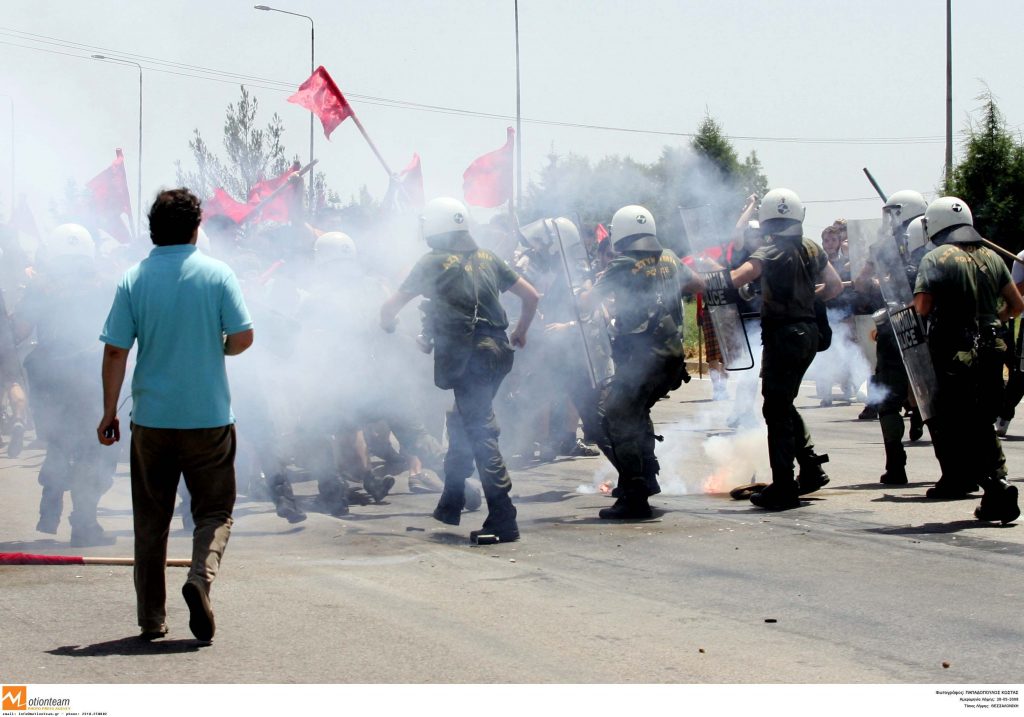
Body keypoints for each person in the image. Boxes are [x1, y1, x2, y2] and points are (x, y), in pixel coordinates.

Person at [97, 188, 254, 642]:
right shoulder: (218, 274)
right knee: (215, 512)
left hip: (152, 421)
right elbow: (243, 337)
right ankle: (199, 580)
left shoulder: (133, 279)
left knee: (151, 523)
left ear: (152, 230)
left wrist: (109, 411)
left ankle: (151, 619)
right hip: (209, 418)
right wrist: (217, 345)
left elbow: (115, 350)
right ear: (196, 226)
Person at [380, 197, 538, 543]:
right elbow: (532, 297)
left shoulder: (433, 261)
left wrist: (386, 322)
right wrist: (520, 332)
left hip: (470, 357)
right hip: (498, 352)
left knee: (480, 428)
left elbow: (392, 306)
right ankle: (451, 498)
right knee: (462, 418)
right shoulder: (488, 257)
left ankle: (503, 515)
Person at [582, 205, 703, 519]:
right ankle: (646, 478)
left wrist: (584, 290)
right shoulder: (670, 258)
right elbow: (698, 284)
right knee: (636, 412)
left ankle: (636, 495)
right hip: (672, 357)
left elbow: (588, 301)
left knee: (616, 416)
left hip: (642, 358)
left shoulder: (622, 264)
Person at [729, 188, 843, 510]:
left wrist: (717, 280)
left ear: (766, 218)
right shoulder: (811, 247)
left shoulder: (771, 249)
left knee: (775, 409)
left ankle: (783, 486)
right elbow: (834, 287)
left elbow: (739, 277)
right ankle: (810, 466)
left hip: (783, 335)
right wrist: (807, 298)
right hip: (809, 332)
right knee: (784, 402)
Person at [914, 196, 1021, 523]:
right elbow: (1016, 305)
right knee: (981, 420)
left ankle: (996, 485)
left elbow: (922, 306)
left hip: (955, 354)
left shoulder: (935, 258)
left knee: (959, 422)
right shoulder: (992, 256)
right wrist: (989, 319)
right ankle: (992, 487)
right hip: (993, 350)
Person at [14, 224, 117, 546]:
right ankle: (84, 524)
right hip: (90, 377)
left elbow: (18, 331)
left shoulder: (40, 288)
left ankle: (52, 494)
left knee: (59, 441)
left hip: (49, 379)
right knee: (94, 450)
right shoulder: (105, 286)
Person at [853, 191, 928, 484]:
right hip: (932, 325)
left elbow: (861, 282)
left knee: (889, 400)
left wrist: (877, 284)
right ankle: (957, 469)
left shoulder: (883, 246)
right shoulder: (936, 241)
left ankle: (896, 465)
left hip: (897, 324)